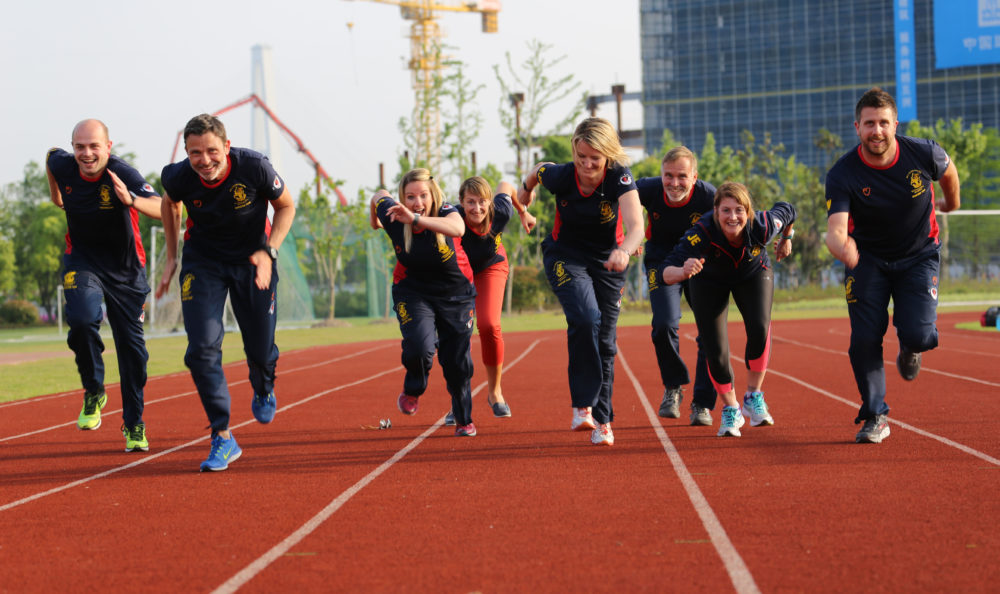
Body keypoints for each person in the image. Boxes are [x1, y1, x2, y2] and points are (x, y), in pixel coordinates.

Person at [156, 114, 295, 471]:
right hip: (204, 264)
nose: (204, 160)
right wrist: (172, 258)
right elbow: (169, 204)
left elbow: (286, 206)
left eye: (212, 151)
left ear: (227, 147)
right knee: (201, 349)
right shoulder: (177, 176)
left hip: (253, 260)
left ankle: (263, 385)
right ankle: (222, 435)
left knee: (260, 348)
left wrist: (270, 251)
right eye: (195, 153)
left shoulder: (254, 167)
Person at [825, 87, 960, 444]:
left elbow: (947, 169)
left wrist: (951, 202)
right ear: (857, 127)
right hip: (867, 260)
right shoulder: (843, 173)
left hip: (919, 255)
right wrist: (844, 248)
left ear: (895, 124)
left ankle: (911, 348)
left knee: (919, 334)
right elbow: (836, 231)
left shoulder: (922, 152)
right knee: (864, 341)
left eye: (884, 123)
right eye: (869, 124)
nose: (877, 131)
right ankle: (875, 415)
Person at [517, 117, 645, 446]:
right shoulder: (561, 175)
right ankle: (582, 406)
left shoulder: (620, 177)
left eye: (595, 159)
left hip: (609, 261)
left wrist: (625, 251)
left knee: (606, 342)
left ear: (608, 157)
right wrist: (524, 192)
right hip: (565, 256)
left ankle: (603, 421)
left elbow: (636, 226)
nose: (587, 165)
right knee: (586, 318)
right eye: (581, 157)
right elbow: (537, 171)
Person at [46, 119, 162, 453]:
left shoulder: (123, 173)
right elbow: (50, 157)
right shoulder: (62, 164)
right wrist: (58, 198)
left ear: (108, 147)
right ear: (73, 147)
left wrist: (131, 200)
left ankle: (134, 422)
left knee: (132, 353)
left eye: (94, 146)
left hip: (126, 273)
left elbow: (163, 205)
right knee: (82, 321)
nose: (86, 153)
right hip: (82, 261)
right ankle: (94, 389)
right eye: (80, 146)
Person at [660, 182, 795, 437]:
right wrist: (683, 271)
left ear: (748, 212)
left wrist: (787, 238)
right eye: (726, 211)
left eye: (739, 210)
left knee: (759, 327)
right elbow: (664, 273)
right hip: (708, 280)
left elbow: (788, 210)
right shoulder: (700, 233)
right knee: (715, 347)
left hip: (753, 274)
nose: (733, 217)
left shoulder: (764, 225)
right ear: (716, 211)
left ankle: (754, 396)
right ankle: (731, 409)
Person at [369, 168, 479, 437]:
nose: (416, 202)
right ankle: (414, 387)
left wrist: (417, 219)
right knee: (420, 348)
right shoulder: (394, 215)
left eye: (422, 196)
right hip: (413, 292)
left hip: (456, 294)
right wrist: (375, 221)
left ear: (433, 196)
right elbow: (377, 196)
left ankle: (463, 418)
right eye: (410, 197)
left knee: (456, 363)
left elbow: (459, 227)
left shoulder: (446, 212)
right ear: (401, 198)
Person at [443, 176, 536, 424]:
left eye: (482, 201)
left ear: (490, 203)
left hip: (491, 267)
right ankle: (458, 400)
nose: (477, 208)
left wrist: (523, 211)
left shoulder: (500, 212)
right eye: (470, 202)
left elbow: (506, 186)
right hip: (459, 273)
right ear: (461, 203)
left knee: (489, 324)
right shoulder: (451, 217)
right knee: (455, 333)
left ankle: (495, 392)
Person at [635, 146, 716, 425]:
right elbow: (615, 201)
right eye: (668, 176)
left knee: (710, 332)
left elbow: (737, 220)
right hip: (661, 261)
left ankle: (702, 404)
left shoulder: (709, 196)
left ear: (694, 176)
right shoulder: (647, 189)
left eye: (682, 176)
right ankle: (673, 386)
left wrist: (785, 234)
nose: (674, 183)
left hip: (700, 262)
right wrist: (626, 237)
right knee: (663, 325)